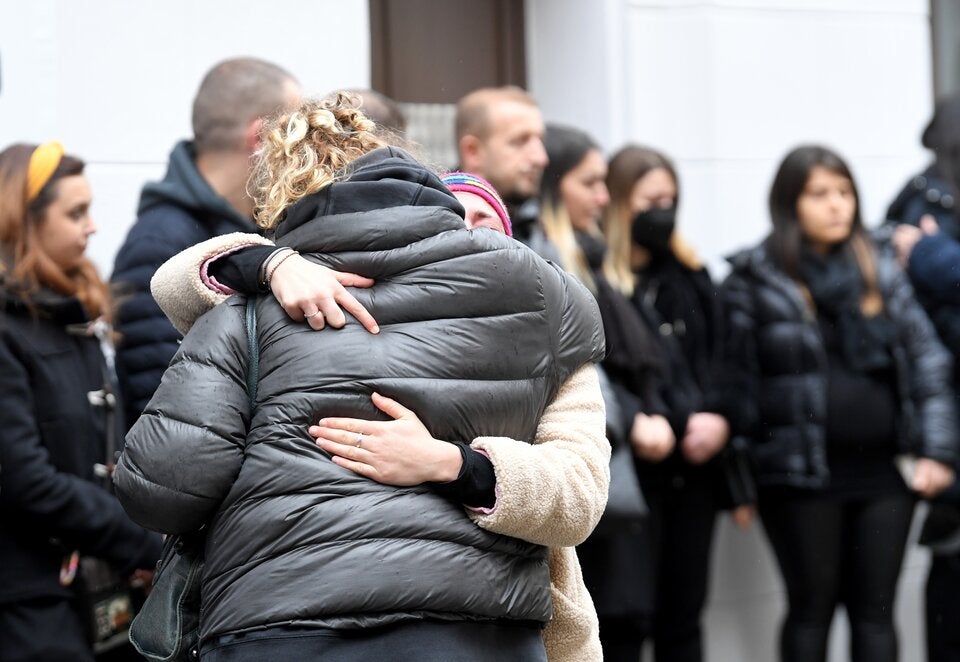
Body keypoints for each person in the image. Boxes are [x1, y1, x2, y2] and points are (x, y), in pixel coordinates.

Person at [114, 95, 607, 661]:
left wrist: (450, 462)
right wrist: (269, 263)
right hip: (472, 631)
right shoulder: (546, 299)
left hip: (279, 626)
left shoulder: (246, 316)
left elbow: (161, 485)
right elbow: (582, 492)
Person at [720, 144, 958, 662]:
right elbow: (736, 387)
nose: (837, 206)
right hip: (800, 479)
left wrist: (938, 453)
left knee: (876, 614)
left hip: (884, 476)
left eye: (845, 192)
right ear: (790, 203)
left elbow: (929, 364)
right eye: (819, 194)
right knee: (811, 608)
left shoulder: (881, 270)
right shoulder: (755, 278)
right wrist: (737, 485)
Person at [0, 142, 163, 662]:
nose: (92, 227)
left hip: (93, 590)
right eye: (76, 213)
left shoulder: (73, 316)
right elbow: (26, 480)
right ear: (23, 221)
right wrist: (140, 542)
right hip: (24, 606)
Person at [110, 57, 307, 430]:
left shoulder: (263, 229)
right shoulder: (158, 242)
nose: (302, 148)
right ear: (260, 137)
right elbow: (162, 410)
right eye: (295, 129)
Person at [599, 143, 735, 662]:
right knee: (626, 619)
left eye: (671, 199)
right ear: (616, 202)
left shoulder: (691, 276)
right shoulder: (601, 283)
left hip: (693, 472)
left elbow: (726, 359)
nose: (662, 212)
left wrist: (719, 416)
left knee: (684, 615)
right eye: (649, 200)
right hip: (634, 472)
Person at [455, 86, 557, 260]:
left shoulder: (536, 226)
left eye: (540, 140)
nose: (540, 158)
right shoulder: (444, 232)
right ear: (473, 152)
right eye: (520, 141)